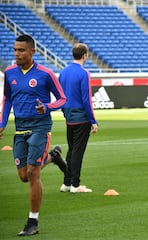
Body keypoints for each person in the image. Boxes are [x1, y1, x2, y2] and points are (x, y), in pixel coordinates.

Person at [0, 34, 67, 236]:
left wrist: (46, 107)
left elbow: (62, 99)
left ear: (32, 51)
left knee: (32, 173)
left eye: (21, 50)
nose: (17, 53)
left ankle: (33, 222)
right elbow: (8, 99)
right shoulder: (9, 72)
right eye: (15, 50)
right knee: (22, 176)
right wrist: (2, 123)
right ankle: (53, 157)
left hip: (40, 126)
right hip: (20, 128)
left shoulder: (45, 74)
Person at [58, 43, 98, 193]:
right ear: (84, 55)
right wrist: (93, 120)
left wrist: (64, 112)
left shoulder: (63, 72)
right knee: (78, 152)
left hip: (69, 116)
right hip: (81, 117)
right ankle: (75, 185)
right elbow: (86, 98)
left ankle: (67, 183)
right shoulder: (84, 73)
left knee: (71, 150)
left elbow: (60, 96)